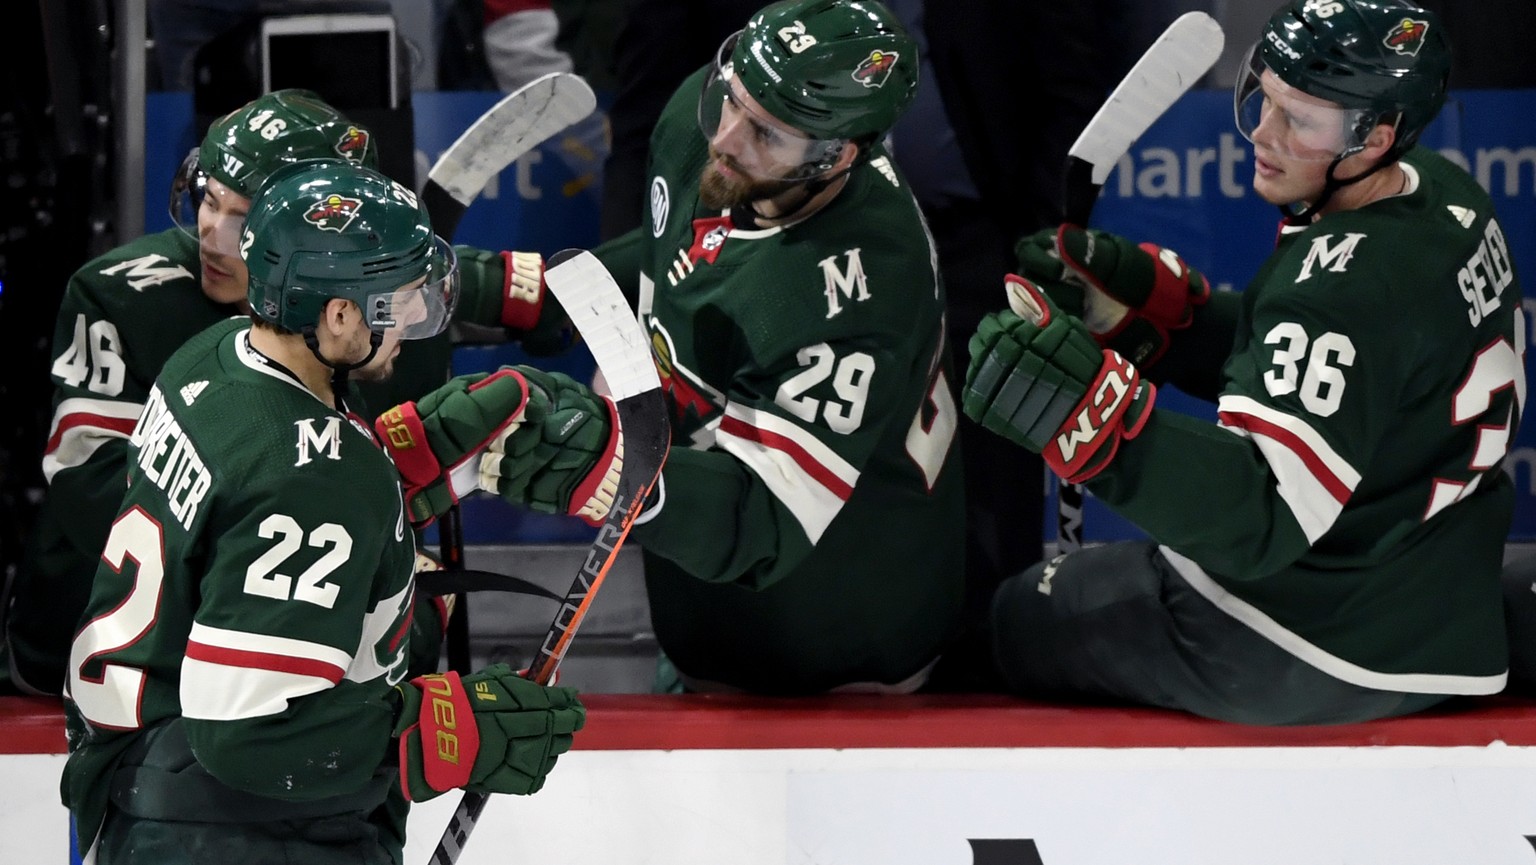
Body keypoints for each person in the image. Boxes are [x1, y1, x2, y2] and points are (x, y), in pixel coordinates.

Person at [963, 0, 1524, 725]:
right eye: (1265, 97)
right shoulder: (1444, 196)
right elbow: (1352, 372)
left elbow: (1264, 517)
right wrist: (1161, 322)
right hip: (1441, 603)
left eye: (1302, 119)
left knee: (1010, 615)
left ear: (1376, 136)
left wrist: (1090, 415)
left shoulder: (1337, 286)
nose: (1263, 132)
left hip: (1306, 644)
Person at [61, 158, 584, 864]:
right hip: (240, 835)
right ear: (338, 314)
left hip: (143, 787)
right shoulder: (313, 482)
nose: (412, 318)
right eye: (398, 299)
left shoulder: (207, 357)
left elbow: (237, 511)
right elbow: (249, 732)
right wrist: (438, 732)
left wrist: (399, 465)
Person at [2, 88, 566, 696]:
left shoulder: (400, 288)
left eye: (244, 218)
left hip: (294, 652)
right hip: (112, 660)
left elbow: (568, 298)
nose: (212, 235)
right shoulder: (121, 296)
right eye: (208, 201)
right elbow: (94, 496)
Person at [478, 0, 967, 695]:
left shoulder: (857, 280)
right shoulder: (704, 121)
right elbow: (667, 260)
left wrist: (593, 464)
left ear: (839, 156)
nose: (727, 139)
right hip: (701, 618)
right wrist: (508, 290)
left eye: (766, 133)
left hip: (846, 644)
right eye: (731, 98)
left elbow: (762, 519)